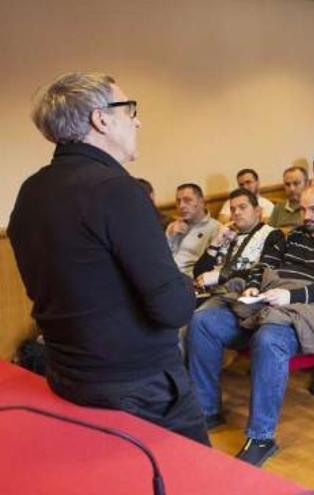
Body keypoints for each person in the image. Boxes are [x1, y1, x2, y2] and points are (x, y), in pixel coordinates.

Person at [8, 72, 208, 444]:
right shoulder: (116, 190)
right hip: (138, 387)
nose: (138, 120)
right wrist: (186, 284)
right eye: (129, 108)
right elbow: (173, 309)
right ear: (100, 119)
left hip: (67, 374)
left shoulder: (31, 190)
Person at [187, 185, 314, 466]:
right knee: (203, 321)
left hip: (306, 305)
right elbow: (265, 266)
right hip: (269, 296)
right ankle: (207, 410)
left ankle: (262, 437)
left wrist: (291, 296)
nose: (306, 215)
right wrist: (254, 287)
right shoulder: (294, 236)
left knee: (269, 338)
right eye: (303, 209)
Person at [193, 188, 282, 291]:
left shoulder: (272, 234)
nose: (236, 212)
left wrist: (221, 276)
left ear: (257, 211)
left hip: (245, 294)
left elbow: (266, 272)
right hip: (213, 293)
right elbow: (198, 273)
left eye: (242, 207)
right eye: (232, 209)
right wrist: (216, 242)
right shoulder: (225, 234)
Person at [166, 183, 222, 277]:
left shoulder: (216, 228)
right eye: (178, 201)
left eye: (187, 200)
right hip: (166, 274)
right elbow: (161, 256)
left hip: (188, 279)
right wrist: (171, 235)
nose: (181, 206)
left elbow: (210, 266)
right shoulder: (173, 226)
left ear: (201, 202)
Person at [268, 165, 308, 230]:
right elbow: (269, 233)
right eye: (287, 184)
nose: (291, 189)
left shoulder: (312, 207)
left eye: (296, 183)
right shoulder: (279, 207)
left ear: (306, 184)